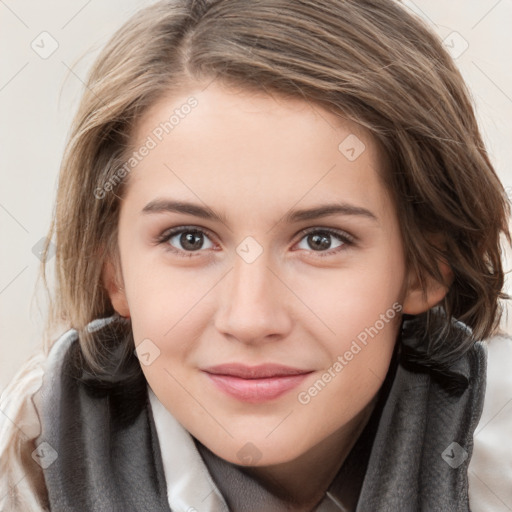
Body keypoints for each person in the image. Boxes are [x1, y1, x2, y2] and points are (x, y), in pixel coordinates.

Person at [1, 0, 511, 510]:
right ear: (113, 270)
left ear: (425, 264)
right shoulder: (36, 454)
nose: (249, 319)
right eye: (189, 239)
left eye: (320, 240)